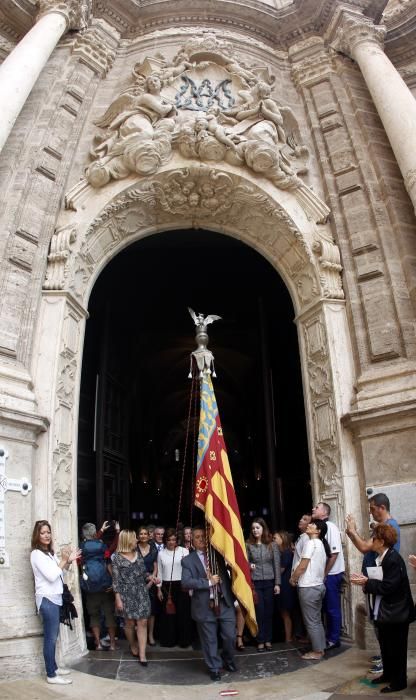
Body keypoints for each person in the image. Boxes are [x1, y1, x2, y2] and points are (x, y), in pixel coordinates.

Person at [351, 523, 414, 693]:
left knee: (397, 649)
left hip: (397, 612)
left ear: (381, 541)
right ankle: (387, 674)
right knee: (386, 646)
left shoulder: (393, 559)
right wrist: (366, 582)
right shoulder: (382, 557)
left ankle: (399, 681)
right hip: (384, 610)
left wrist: (366, 582)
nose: (371, 541)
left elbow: (388, 587)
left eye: (374, 538)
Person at [346, 493, 400, 675]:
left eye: (372, 509)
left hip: (380, 582)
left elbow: (364, 547)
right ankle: (385, 654)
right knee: (377, 621)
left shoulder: (388, 527)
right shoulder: (384, 526)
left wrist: (352, 531)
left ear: (382, 508)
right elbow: (366, 547)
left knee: (381, 622)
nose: (370, 512)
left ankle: (388, 660)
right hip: (374, 581)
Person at [181, 527, 236, 681]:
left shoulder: (218, 555)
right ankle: (214, 667)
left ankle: (228, 660)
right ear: (192, 540)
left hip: (224, 603)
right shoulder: (187, 560)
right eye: (197, 537)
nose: (201, 539)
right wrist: (208, 582)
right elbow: (185, 583)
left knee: (230, 636)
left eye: (204, 536)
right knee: (209, 639)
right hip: (204, 606)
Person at [30, 520, 81, 685]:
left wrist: (69, 561)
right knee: (50, 639)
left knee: (54, 637)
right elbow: (51, 575)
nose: (46, 535)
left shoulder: (49, 553)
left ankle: (54, 667)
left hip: (55, 598)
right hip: (47, 599)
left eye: (48, 532)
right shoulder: (36, 554)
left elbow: (58, 574)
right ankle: (51, 675)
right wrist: (65, 560)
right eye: (43, 532)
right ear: (37, 535)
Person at [289, 519, 330, 661]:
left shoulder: (311, 543)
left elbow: (302, 565)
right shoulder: (321, 544)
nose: (309, 525)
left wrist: (293, 578)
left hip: (308, 586)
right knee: (316, 620)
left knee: (311, 621)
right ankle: (321, 648)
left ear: (318, 531)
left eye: (313, 525)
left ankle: (317, 651)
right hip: (318, 585)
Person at [111, 529, 152, 666]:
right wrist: (118, 598)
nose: (137, 540)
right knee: (129, 623)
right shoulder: (116, 557)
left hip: (141, 592)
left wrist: (151, 577)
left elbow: (143, 572)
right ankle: (132, 644)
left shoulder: (138, 554)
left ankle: (142, 654)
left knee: (143, 622)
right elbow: (116, 580)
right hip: (126, 593)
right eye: (134, 538)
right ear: (127, 540)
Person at [312, 502, 345, 649]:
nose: (313, 509)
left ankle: (334, 639)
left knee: (332, 608)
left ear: (325, 512)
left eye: (317, 507)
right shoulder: (320, 527)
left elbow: (334, 553)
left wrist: (324, 574)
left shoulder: (330, 527)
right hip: (325, 574)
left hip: (331, 574)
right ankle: (329, 636)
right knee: (326, 608)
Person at [80, 522, 116, 651]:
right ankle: (112, 644)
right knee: (109, 615)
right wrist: (113, 581)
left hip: (90, 587)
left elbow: (79, 563)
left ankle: (98, 644)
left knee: (93, 615)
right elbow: (108, 560)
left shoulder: (82, 546)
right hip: (105, 586)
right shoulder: (102, 545)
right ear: (95, 533)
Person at [246, 518, 281, 651]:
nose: (255, 530)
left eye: (257, 528)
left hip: (270, 581)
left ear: (263, 529)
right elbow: (244, 562)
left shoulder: (272, 545)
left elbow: (276, 565)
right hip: (255, 582)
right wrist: (250, 566)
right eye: (253, 528)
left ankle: (268, 639)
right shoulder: (248, 544)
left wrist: (277, 583)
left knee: (269, 612)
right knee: (259, 612)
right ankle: (260, 640)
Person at [156, 528, 191, 647]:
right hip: (167, 587)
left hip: (182, 585)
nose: (171, 542)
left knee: (183, 614)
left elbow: (189, 570)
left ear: (177, 540)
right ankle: (169, 640)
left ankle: (184, 641)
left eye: (174, 539)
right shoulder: (161, 553)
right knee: (168, 615)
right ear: (165, 540)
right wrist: (159, 589)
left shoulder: (184, 551)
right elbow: (159, 573)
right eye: (169, 540)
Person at [137, 526, 158, 646]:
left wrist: (151, 582)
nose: (143, 536)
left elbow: (155, 567)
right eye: (141, 534)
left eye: (145, 534)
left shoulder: (153, 549)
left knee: (151, 611)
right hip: (137, 583)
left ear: (148, 535)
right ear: (138, 536)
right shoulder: (134, 548)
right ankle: (140, 635)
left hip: (151, 583)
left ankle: (150, 635)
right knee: (139, 611)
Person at [273, 531, 295, 642]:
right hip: (283, 585)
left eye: (275, 538)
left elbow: (280, 570)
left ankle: (288, 638)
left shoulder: (286, 553)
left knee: (285, 613)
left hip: (285, 586)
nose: (273, 540)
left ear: (282, 539)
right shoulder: (282, 552)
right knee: (283, 612)